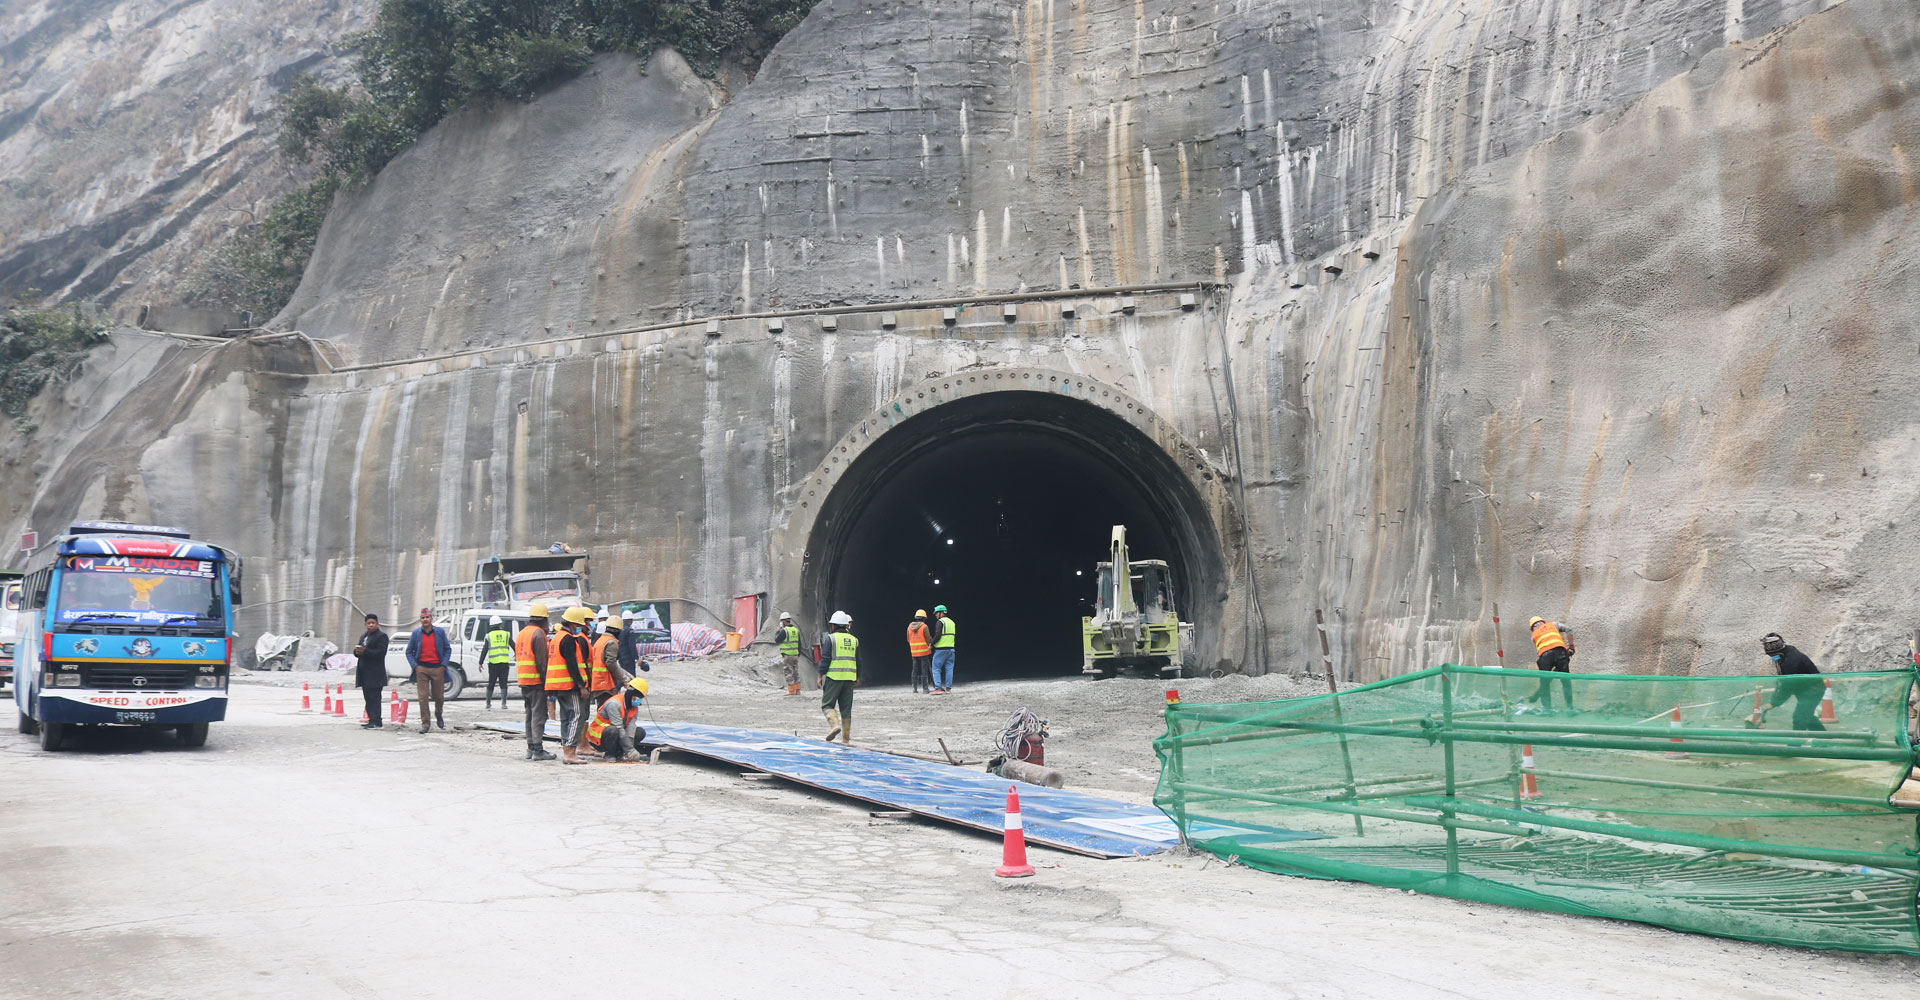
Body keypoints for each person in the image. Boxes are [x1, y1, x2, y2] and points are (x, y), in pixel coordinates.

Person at [551, 605, 595, 764]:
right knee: (578, 715)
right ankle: (570, 751)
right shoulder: (568, 639)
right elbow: (572, 664)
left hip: (558, 685)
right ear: (572, 623)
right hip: (570, 686)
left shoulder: (557, 637)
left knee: (565, 718)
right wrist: (582, 685)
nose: (579, 627)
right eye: (578, 624)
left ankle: (568, 750)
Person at [1763, 632, 1826, 732]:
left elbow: (1787, 686)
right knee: (1808, 717)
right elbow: (1783, 681)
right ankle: (1824, 738)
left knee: (1799, 717)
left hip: (1813, 690)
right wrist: (1774, 700)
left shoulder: (1790, 661)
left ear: (1777, 651)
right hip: (1805, 689)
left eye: (1772, 655)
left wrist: (1774, 703)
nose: (1771, 657)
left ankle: (1796, 741)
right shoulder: (1785, 654)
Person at [517, 603, 556, 761]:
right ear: (543, 619)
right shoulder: (538, 634)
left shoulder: (523, 633)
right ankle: (538, 750)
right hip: (536, 681)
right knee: (538, 715)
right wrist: (548, 683)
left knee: (530, 714)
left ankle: (531, 747)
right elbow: (542, 663)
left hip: (524, 680)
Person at [406, 608, 452, 733]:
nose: (425, 620)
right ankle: (425, 723)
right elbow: (409, 652)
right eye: (422, 618)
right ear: (420, 620)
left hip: (438, 668)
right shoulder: (416, 633)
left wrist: (443, 665)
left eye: (427, 617)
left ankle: (438, 713)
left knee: (439, 697)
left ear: (431, 618)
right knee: (423, 697)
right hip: (422, 669)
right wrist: (415, 666)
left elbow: (447, 649)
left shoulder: (439, 632)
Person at [818, 610, 858, 744]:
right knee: (846, 710)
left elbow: (825, 659)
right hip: (849, 678)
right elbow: (858, 660)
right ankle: (846, 739)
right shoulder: (854, 640)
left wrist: (820, 675)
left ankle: (834, 725)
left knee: (827, 705)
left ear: (834, 625)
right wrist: (857, 676)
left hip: (834, 677)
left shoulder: (831, 639)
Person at [586, 679, 649, 761]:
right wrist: (630, 750)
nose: (639, 700)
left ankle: (621, 754)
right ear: (633, 696)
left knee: (640, 732)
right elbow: (618, 727)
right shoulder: (614, 704)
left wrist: (630, 750)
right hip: (600, 738)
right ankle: (610, 754)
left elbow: (631, 727)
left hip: (617, 734)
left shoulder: (634, 707)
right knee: (613, 730)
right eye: (639, 697)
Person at [1526, 616, 1575, 711]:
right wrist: (1571, 647)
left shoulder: (1533, 636)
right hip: (1560, 652)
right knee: (1566, 681)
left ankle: (1547, 710)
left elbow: (1540, 649)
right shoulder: (1553, 625)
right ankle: (1570, 708)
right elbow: (1569, 629)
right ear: (1543, 622)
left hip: (1544, 657)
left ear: (1532, 628)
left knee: (1544, 684)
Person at [352, 614, 389, 729]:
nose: (371, 625)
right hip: (364, 673)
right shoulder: (364, 636)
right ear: (365, 624)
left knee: (375, 697)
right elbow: (359, 652)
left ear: (377, 624)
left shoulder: (382, 636)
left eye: (373, 623)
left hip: (375, 673)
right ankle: (371, 719)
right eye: (369, 623)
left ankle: (377, 721)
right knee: (368, 697)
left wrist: (365, 651)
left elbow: (381, 652)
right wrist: (356, 652)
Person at [482, 618, 513, 710]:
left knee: (491, 683)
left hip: (493, 663)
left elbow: (485, 649)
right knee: (503, 683)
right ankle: (503, 704)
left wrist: (480, 662)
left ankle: (488, 703)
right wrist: (518, 654)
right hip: (504, 663)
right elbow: (513, 645)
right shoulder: (506, 634)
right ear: (500, 624)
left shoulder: (489, 636)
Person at [930, 604, 956, 694]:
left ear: (941, 613)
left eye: (936, 613)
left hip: (941, 649)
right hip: (951, 650)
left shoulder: (940, 622)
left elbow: (938, 635)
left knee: (936, 668)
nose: (935, 615)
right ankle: (948, 689)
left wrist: (931, 644)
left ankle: (937, 689)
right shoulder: (952, 622)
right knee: (949, 669)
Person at [907, 609, 934, 694]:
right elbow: (928, 639)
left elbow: (908, 639)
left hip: (914, 652)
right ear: (924, 618)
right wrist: (932, 642)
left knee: (914, 670)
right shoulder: (924, 626)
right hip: (923, 652)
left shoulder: (909, 627)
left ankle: (914, 689)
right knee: (924, 670)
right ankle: (925, 689)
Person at [776, 612, 803, 696]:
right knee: (796, 672)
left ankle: (791, 691)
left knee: (788, 672)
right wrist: (798, 654)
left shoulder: (784, 631)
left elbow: (777, 640)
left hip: (787, 655)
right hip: (795, 654)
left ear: (784, 621)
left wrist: (778, 631)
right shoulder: (795, 630)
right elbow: (799, 644)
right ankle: (798, 690)